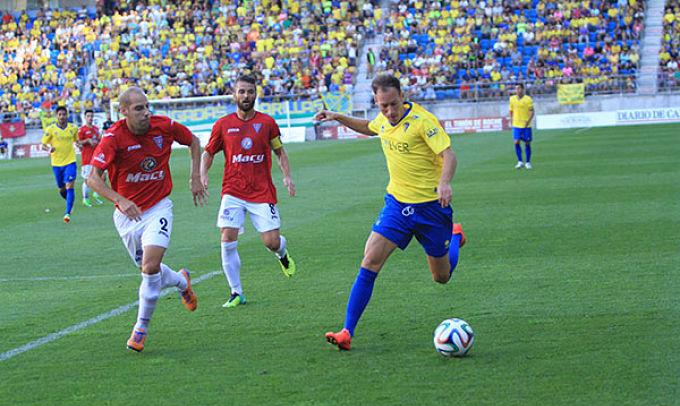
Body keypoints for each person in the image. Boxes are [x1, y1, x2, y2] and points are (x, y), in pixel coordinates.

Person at [314, 74, 465, 351]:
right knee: (370, 260)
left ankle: (455, 236)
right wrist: (337, 116)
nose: (390, 112)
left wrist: (444, 183)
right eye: (383, 106)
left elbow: (449, 155)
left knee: (441, 277)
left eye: (394, 104)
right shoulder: (383, 119)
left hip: (432, 208)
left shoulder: (423, 121)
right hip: (397, 205)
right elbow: (370, 127)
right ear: (376, 101)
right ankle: (347, 331)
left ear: (402, 95)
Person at [86, 87, 207, 352]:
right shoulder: (113, 137)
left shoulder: (165, 126)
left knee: (150, 267)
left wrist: (195, 177)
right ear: (124, 111)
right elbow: (93, 178)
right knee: (148, 269)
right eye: (139, 108)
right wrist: (119, 199)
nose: (146, 113)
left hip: (158, 208)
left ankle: (140, 330)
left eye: (147, 106)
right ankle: (181, 281)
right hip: (127, 215)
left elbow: (194, 141)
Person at [200, 74, 296, 308]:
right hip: (232, 190)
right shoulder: (223, 125)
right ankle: (236, 292)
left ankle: (282, 254)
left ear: (256, 94)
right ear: (234, 95)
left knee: (271, 242)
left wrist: (286, 176)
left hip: (262, 191)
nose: (246, 96)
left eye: (250, 92)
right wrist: (202, 173)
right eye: (241, 91)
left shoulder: (267, 123)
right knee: (227, 238)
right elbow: (209, 152)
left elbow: (279, 151)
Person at [41, 106, 79, 223]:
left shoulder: (73, 128)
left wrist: (80, 145)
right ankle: (69, 201)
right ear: (56, 116)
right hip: (56, 163)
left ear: (67, 115)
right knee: (61, 189)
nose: (62, 117)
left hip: (70, 161)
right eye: (60, 114)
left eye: (64, 114)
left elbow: (76, 141)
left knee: (69, 186)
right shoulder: (51, 129)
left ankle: (67, 213)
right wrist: (49, 149)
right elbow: (43, 145)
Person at [78, 109, 104, 207]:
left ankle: (96, 194)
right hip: (87, 158)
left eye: (92, 116)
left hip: (96, 158)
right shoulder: (82, 130)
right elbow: (79, 142)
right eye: (88, 116)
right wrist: (87, 141)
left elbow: (99, 141)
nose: (90, 118)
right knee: (88, 180)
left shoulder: (96, 129)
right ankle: (85, 199)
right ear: (85, 117)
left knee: (102, 177)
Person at [509, 83, 535, 169]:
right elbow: (511, 111)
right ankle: (520, 161)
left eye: (519, 88)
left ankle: (527, 162)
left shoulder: (528, 99)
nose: (517, 90)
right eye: (516, 88)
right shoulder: (512, 99)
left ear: (523, 89)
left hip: (525, 125)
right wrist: (511, 120)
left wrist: (528, 121)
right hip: (516, 125)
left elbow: (532, 111)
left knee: (527, 143)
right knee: (516, 142)